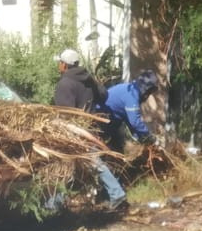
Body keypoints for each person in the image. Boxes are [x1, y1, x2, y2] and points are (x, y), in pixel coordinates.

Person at [53, 48, 127, 210]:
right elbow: (104, 95)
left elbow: (66, 112)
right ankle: (56, 201)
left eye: (60, 63)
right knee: (69, 163)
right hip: (91, 126)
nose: (59, 66)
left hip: (76, 130)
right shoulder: (87, 78)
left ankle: (116, 193)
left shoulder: (65, 83)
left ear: (65, 65)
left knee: (91, 162)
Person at [99, 69, 161, 151]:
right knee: (111, 149)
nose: (148, 96)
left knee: (118, 147)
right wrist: (149, 137)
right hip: (102, 121)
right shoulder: (132, 96)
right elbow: (135, 122)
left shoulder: (131, 90)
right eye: (149, 93)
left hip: (111, 122)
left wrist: (139, 137)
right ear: (145, 90)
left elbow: (129, 121)